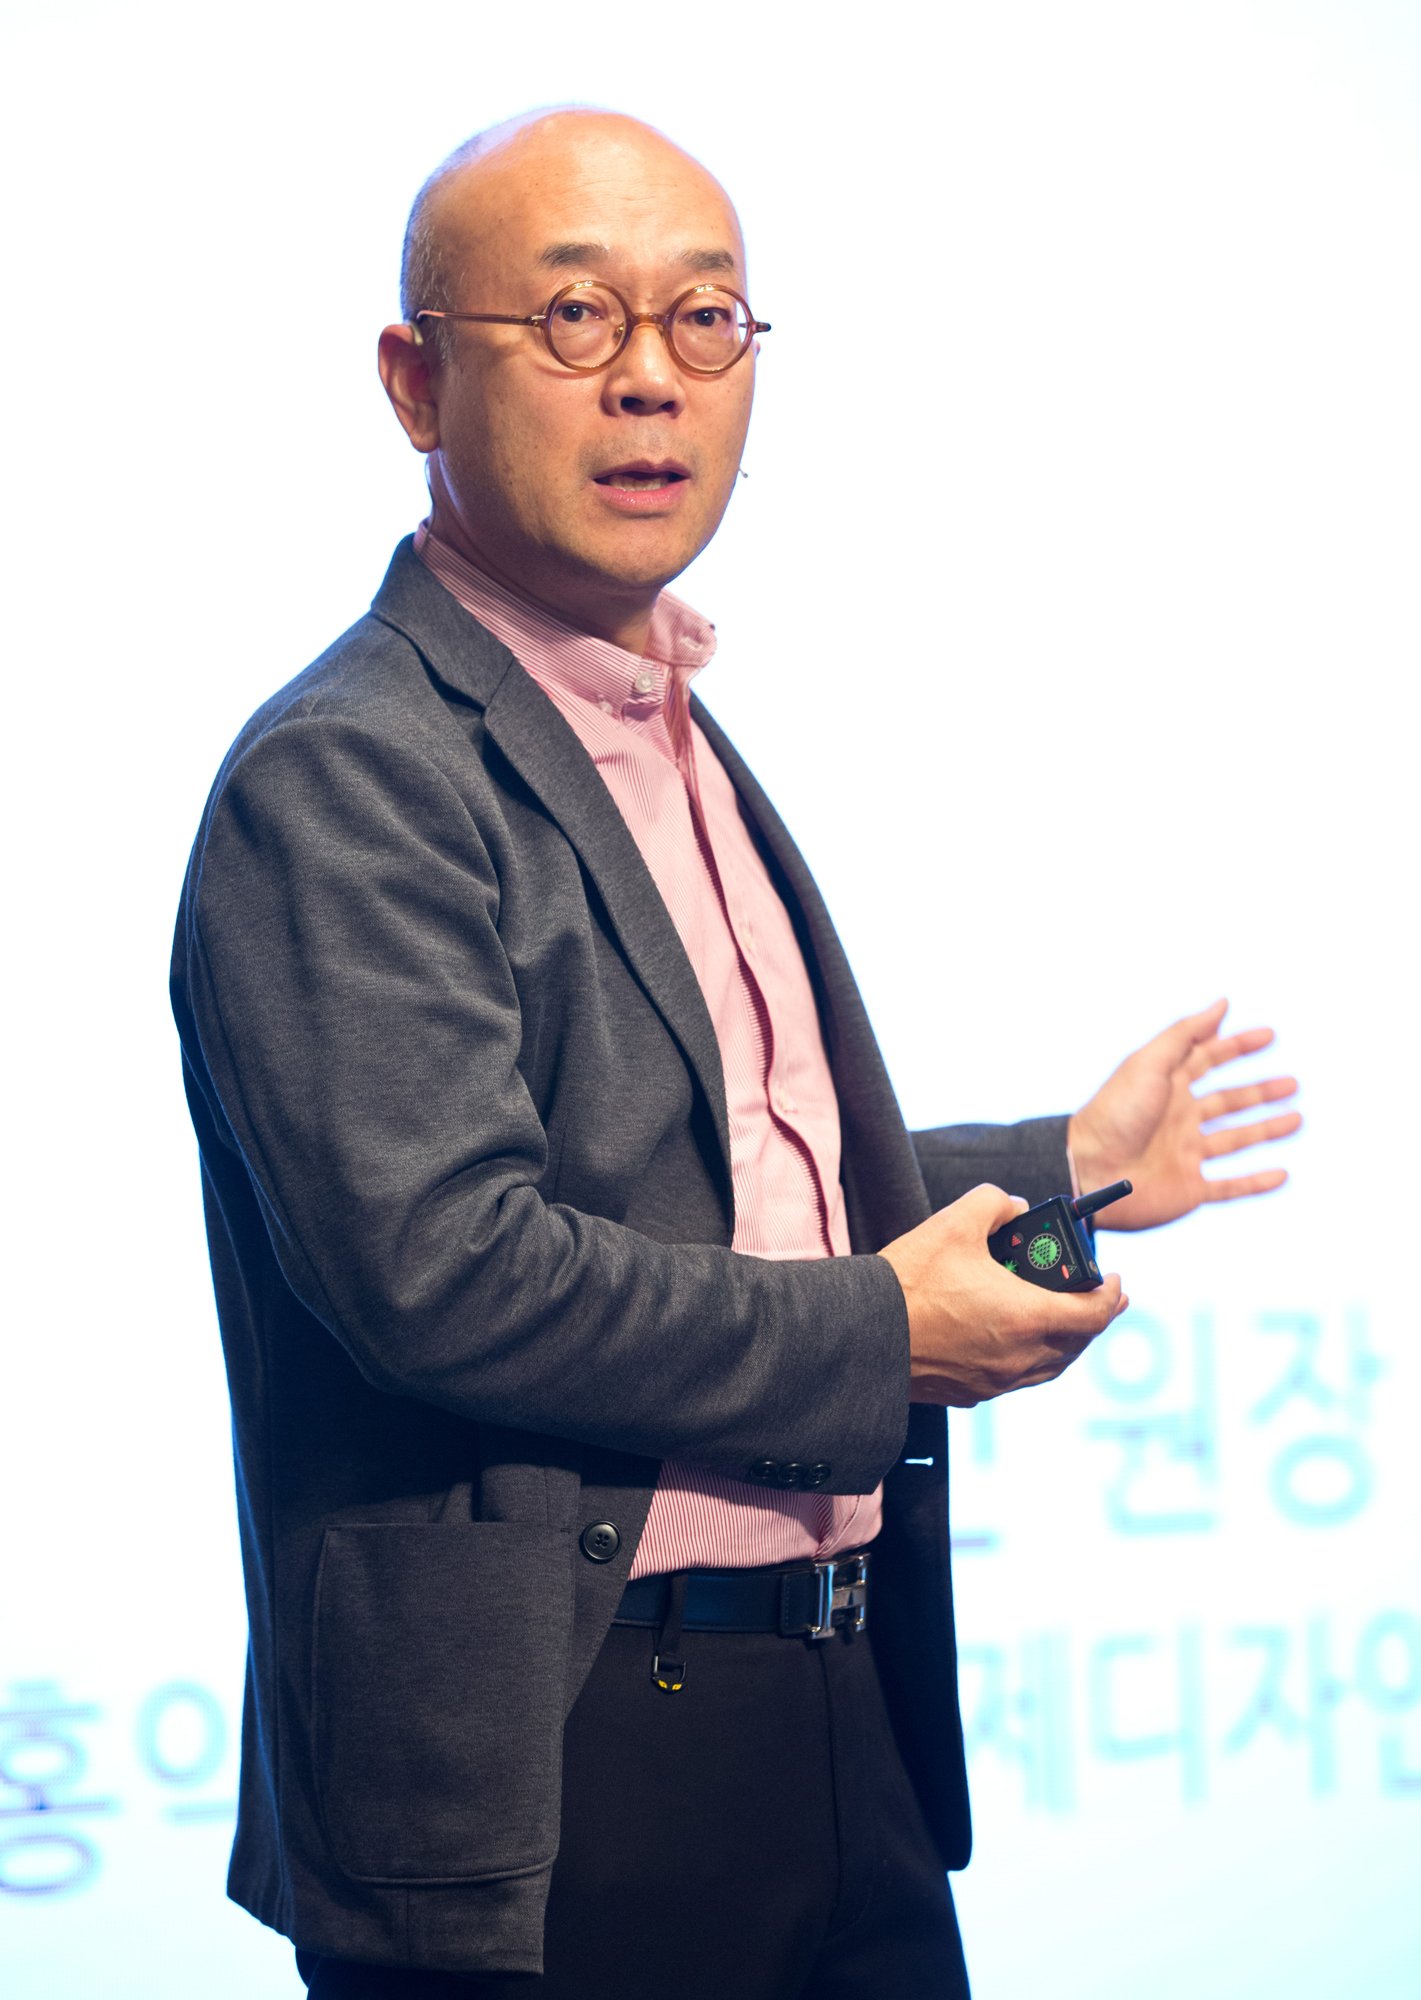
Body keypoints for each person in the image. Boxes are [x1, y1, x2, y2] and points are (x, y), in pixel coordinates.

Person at [170, 108, 1300, 1999]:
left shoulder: (663, 717)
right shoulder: (351, 773)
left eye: (703, 319)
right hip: (556, 1766)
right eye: (575, 318)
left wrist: (1054, 1165)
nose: (650, 380)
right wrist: (882, 1336)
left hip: (835, 1708)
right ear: (415, 381)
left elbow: (722, 1179)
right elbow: (442, 1269)